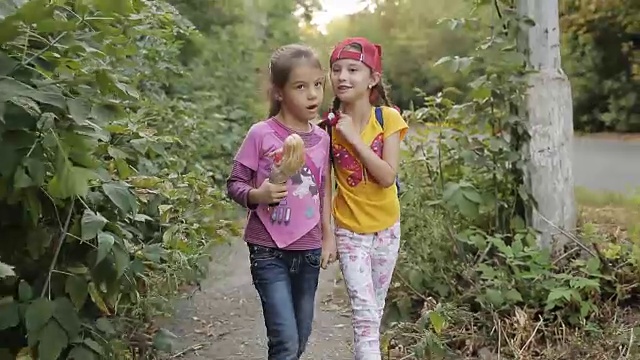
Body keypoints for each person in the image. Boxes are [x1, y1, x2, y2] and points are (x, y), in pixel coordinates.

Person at [226, 44, 337, 360]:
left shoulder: (322, 138)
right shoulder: (261, 134)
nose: (312, 94)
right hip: (267, 251)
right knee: (285, 343)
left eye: (318, 84)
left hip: (309, 251)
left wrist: (328, 236)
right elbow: (234, 184)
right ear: (278, 92)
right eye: (300, 87)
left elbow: (324, 190)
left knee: (300, 340)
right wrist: (258, 195)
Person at [324, 37, 408, 359]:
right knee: (364, 313)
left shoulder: (388, 119)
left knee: (375, 309)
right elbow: (324, 185)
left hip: (387, 228)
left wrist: (354, 139)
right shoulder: (326, 129)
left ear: (372, 78)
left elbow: (387, 177)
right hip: (350, 231)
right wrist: (328, 234)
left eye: (352, 69)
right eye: (336, 69)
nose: (342, 77)